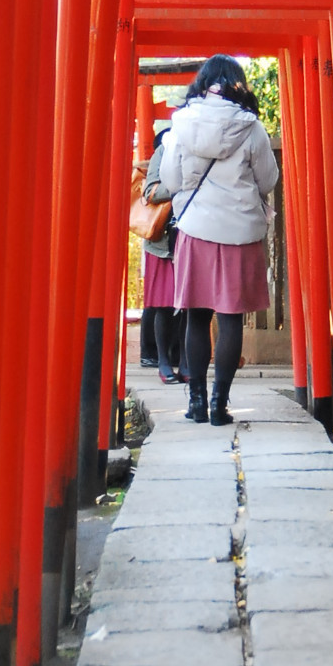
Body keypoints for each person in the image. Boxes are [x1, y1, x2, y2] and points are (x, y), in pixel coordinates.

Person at [160, 54, 279, 426]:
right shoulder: (251, 128)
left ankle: (195, 401)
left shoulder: (180, 126)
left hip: (196, 230)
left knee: (196, 318)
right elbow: (268, 180)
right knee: (230, 321)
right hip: (239, 234)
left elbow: (173, 181)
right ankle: (218, 404)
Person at [139, 122, 185, 384]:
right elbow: (151, 191)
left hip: (197, 233)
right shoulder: (163, 150)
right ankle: (161, 361)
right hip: (164, 239)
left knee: (193, 304)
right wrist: (184, 185)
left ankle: (186, 361)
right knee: (162, 304)